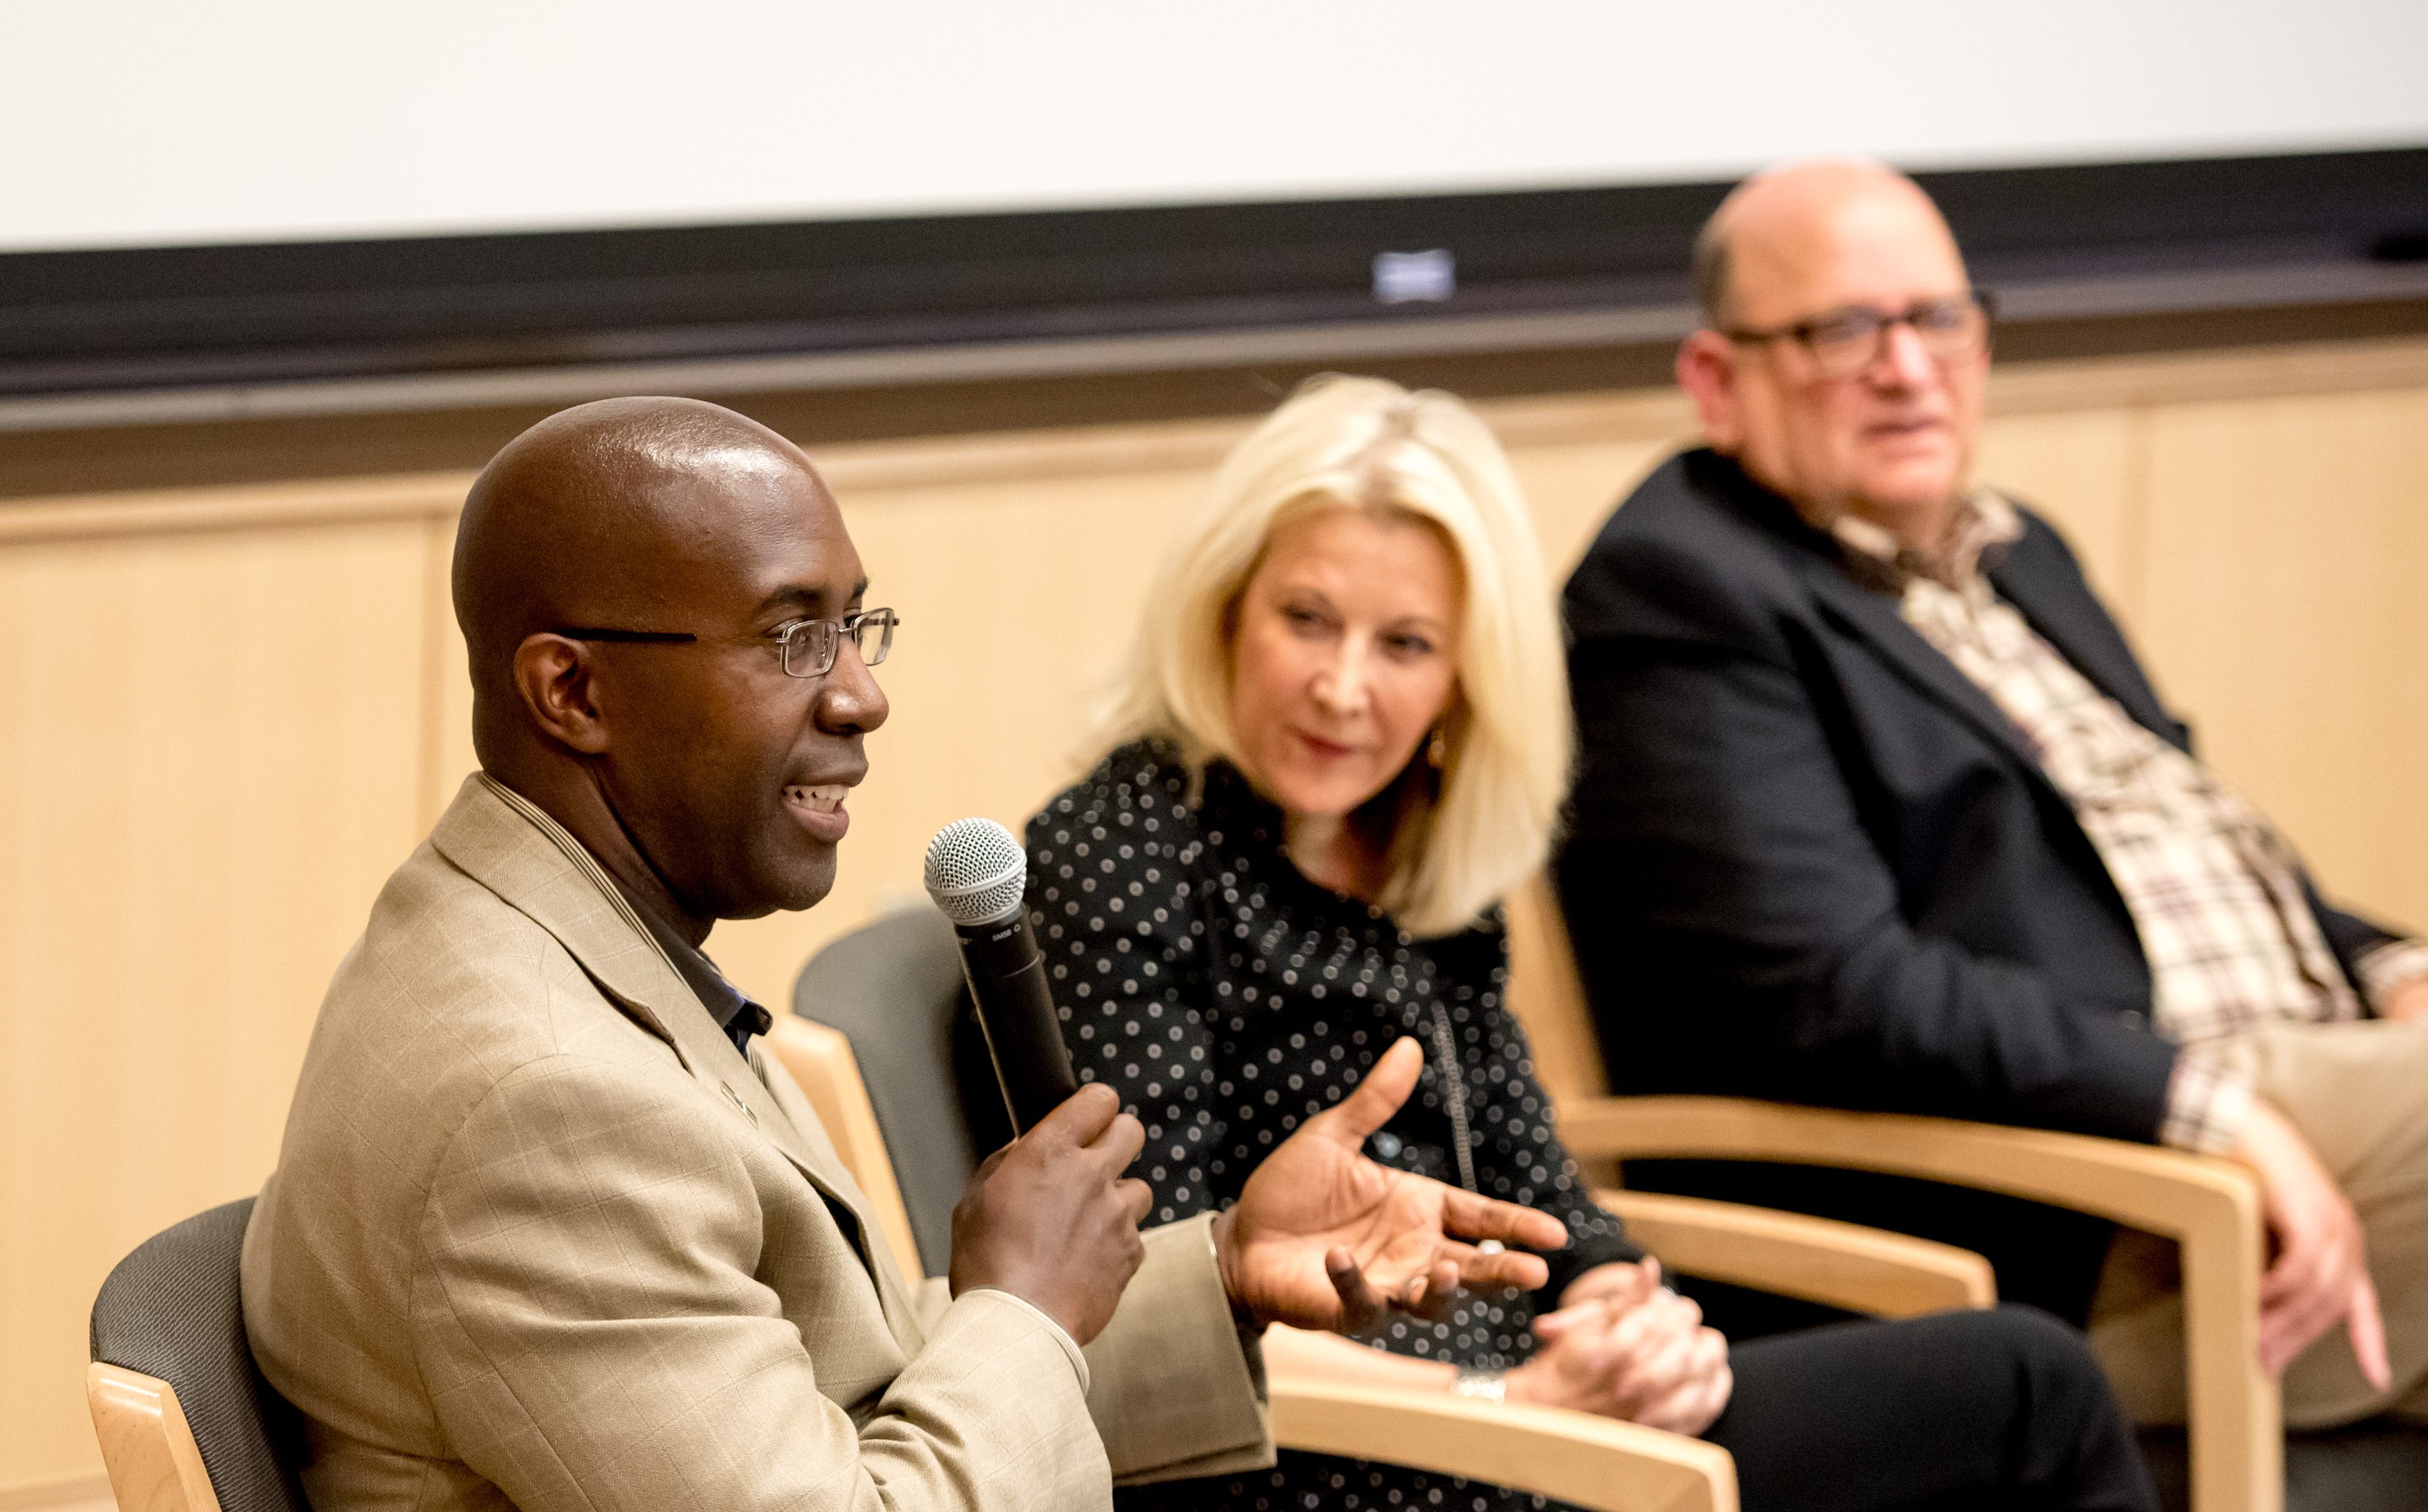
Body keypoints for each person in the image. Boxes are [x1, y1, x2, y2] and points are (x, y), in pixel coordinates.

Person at [239, 396, 1578, 1512]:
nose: (861, 692)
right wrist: (1026, 1308)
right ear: (573, 692)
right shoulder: (541, 1104)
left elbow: (839, 1392)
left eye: (854, 627)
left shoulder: (563, 942)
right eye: (790, 636)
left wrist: (1222, 1263)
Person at [1028, 374, 2159, 1512]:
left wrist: (1631, 1315)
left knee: (2026, 1381)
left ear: (1470, 673)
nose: (1343, 688)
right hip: (1315, 1452)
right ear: (1226, 606)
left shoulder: (1423, 852)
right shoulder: (1120, 851)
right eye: (1307, 619)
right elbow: (1153, 1307)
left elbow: (1534, 1177)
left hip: (1535, 1405)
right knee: (2025, 1391)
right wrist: (1511, 1412)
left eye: (1407, 644)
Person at [1556, 157, 2428, 1428]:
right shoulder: (1676, 592)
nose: (1908, 369)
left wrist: (2393, 965)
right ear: (1717, 381)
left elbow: (2183, 844)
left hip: (2289, 1089)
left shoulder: (2019, 555)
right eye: (1843, 330)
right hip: (2089, 1199)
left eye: (1940, 318)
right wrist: (2209, 1110)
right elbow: (1834, 993)